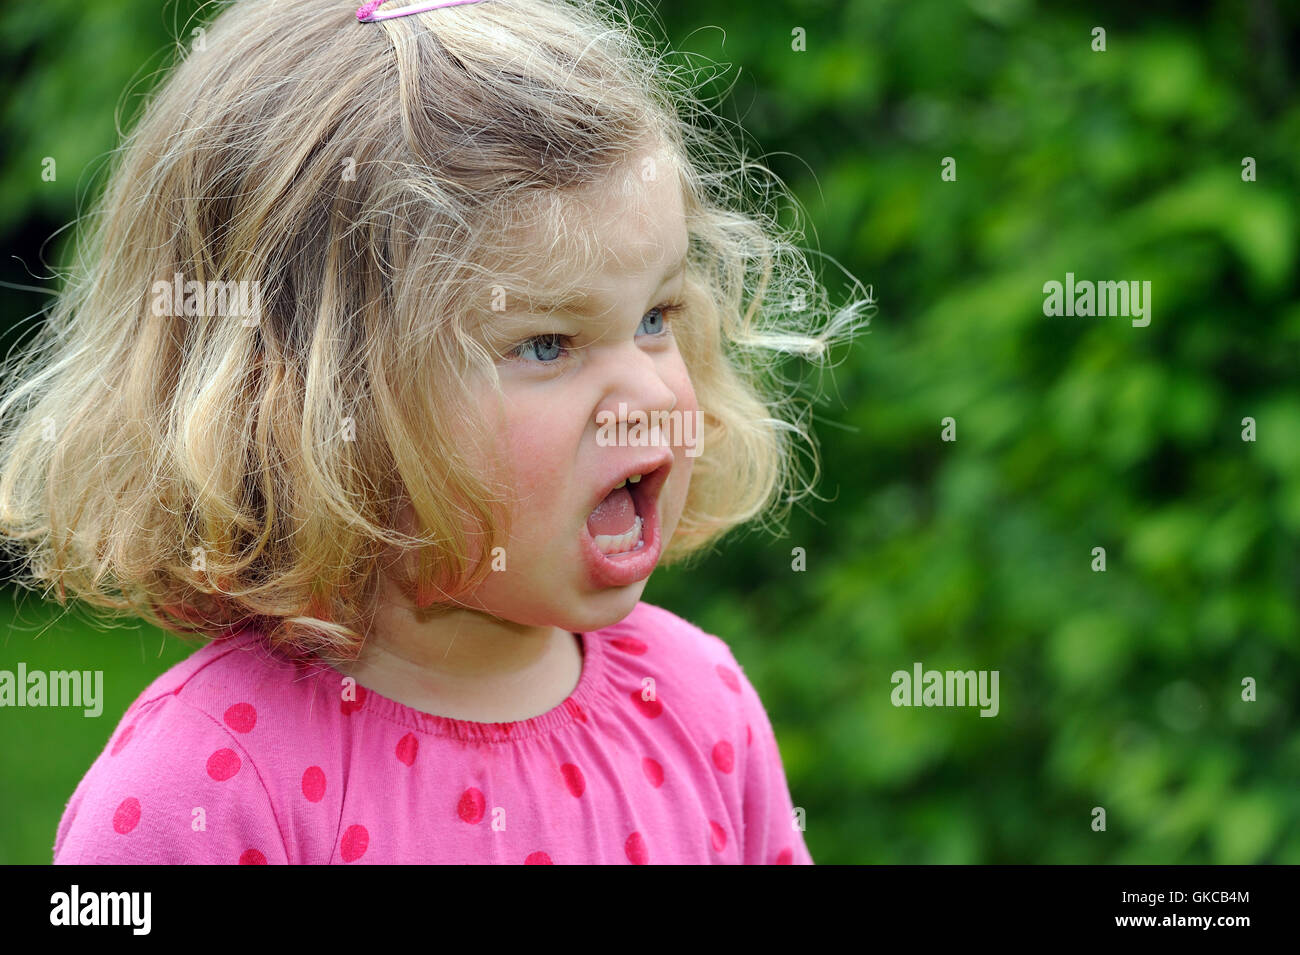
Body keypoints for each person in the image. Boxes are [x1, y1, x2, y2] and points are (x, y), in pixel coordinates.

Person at [0, 0, 871, 863]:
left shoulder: (698, 705)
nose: (647, 389)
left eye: (656, 316)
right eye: (545, 344)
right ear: (316, 407)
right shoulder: (205, 788)